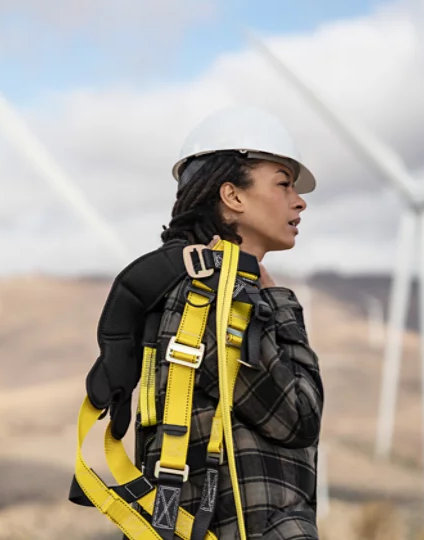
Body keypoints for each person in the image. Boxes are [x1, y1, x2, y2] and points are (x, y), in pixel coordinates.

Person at [154, 105, 324, 538]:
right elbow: (300, 415)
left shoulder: (206, 290)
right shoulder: (216, 298)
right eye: (283, 184)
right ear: (233, 196)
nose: (299, 200)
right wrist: (282, 304)